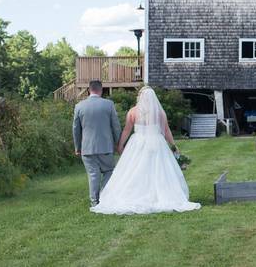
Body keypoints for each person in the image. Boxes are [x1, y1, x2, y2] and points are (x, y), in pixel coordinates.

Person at [91, 87, 201, 215]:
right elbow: (166, 131)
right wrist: (173, 145)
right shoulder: (160, 113)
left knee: (135, 169)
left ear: (140, 97)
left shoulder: (133, 111)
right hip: (157, 143)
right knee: (158, 169)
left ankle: (136, 194)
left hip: (137, 143)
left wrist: (120, 145)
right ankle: (156, 194)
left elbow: (127, 130)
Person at [73, 80, 122, 207]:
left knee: (93, 175)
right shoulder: (109, 104)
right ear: (101, 90)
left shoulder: (79, 106)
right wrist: (118, 143)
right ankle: (105, 199)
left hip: (87, 148)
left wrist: (78, 147)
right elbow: (116, 126)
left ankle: (94, 202)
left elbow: (76, 130)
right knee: (108, 171)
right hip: (106, 147)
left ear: (89, 90)